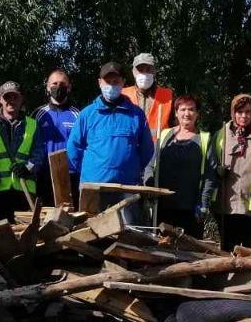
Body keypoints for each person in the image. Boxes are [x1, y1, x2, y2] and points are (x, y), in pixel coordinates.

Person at [66, 62, 154, 225]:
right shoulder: (87, 114)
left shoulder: (136, 115)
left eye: (116, 82)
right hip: (93, 188)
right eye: (108, 82)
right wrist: (90, 171)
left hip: (126, 188)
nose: (112, 86)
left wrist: (130, 168)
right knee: (91, 234)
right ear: (100, 82)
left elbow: (147, 149)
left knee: (128, 235)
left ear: (123, 83)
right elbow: (73, 150)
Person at [145, 95, 215, 235]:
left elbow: (210, 175)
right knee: (161, 250)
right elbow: (150, 165)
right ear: (176, 113)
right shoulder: (165, 135)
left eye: (191, 109)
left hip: (190, 209)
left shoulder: (204, 139)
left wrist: (204, 203)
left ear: (197, 113)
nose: (187, 113)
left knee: (189, 252)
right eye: (182, 109)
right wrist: (149, 185)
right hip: (163, 206)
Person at [213, 93, 251, 251]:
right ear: (233, 113)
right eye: (240, 112)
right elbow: (210, 166)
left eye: (248, 112)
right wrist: (217, 172)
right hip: (226, 205)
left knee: (248, 250)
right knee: (226, 250)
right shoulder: (220, 136)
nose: (244, 116)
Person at [0, 81, 42, 223]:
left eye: (15, 97)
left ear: (22, 98)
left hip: (24, 191)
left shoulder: (33, 124)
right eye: (7, 97)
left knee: (24, 237)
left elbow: (39, 154)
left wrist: (26, 168)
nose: (11, 101)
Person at [32, 68, 80, 206]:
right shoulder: (38, 114)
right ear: (47, 87)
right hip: (44, 177)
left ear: (69, 87)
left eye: (63, 84)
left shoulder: (78, 115)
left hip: (70, 177)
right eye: (54, 84)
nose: (58, 87)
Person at [122, 53, 174, 142]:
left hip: (159, 152)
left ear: (155, 71)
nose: (144, 73)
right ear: (133, 72)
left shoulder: (167, 96)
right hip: (130, 151)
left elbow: (176, 127)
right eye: (140, 70)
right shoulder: (122, 94)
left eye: (148, 69)